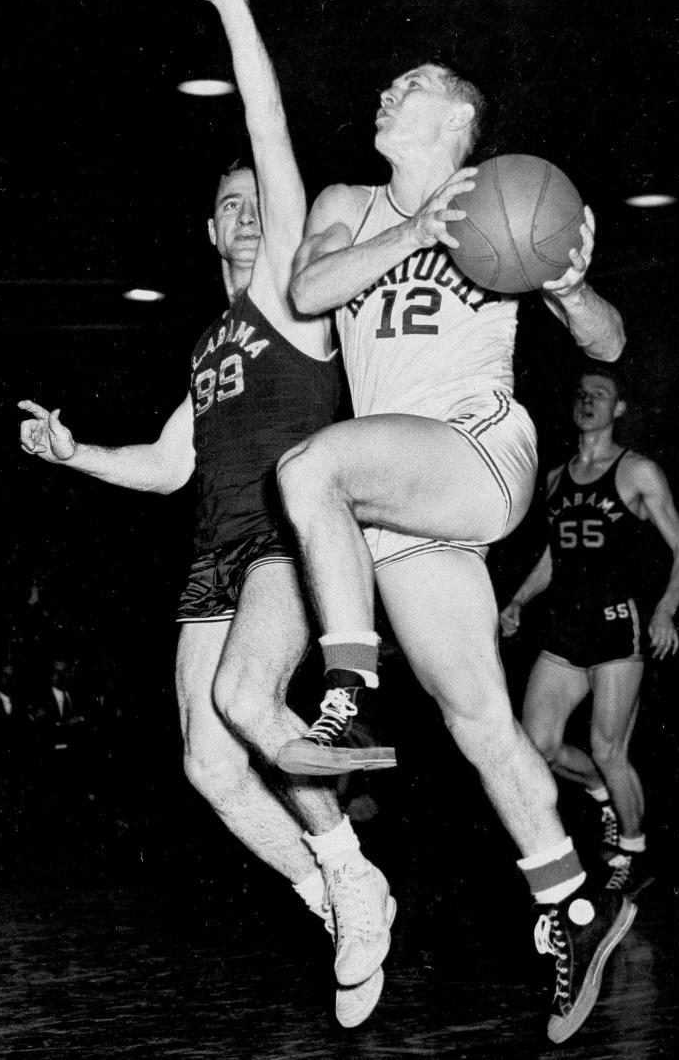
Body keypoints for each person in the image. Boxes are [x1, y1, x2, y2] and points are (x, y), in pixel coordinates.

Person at [18, 0, 393, 1028]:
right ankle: (332, 881)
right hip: (212, 551)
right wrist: (76, 451)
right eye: (226, 210)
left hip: (289, 537)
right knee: (206, 760)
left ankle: (350, 860)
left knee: (244, 695)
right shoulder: (206, 343)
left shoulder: (289, 293)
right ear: (206, 231)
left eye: (254, 208)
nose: (243, 221)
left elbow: (271, 135)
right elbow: (172, 463)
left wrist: (232, 5)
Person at [274, 60, 632, 1043]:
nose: (386, 93)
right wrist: (413, 230)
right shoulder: (350, 201)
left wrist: (568, 282)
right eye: (386, 85)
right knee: (478, 718)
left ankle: (345, 699)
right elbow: (312, 288)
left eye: (411, 88)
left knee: (309, 469)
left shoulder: (498, 199)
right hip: (400, 497)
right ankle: (571, 904)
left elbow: (604, 340)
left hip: (477, 449)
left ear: (458, 124)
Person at [500, 365, 679, 895]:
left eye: (601, 394)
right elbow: (553, 556)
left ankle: (633, 851)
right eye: (581, 392)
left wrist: (665, 610)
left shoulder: (637, 473)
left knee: (609, 748)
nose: (588, 401)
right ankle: (599, 793)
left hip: (616, 628)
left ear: (620, 409)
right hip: (565, 628)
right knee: (534, 746)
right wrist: (518, 599)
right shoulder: (557, 478)